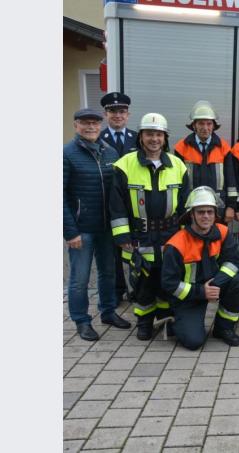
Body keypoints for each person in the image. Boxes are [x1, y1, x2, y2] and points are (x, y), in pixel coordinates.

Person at [109, 113, 191, 340]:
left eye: (158, 135)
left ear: (165, 138)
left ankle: (166, 319)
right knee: (143, 280)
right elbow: (117, 206)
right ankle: (144, 322)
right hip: (139, 234)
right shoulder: (124, 165)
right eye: (149, 134)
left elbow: (185, 204)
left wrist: (185, 234)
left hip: (170, 233)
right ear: (141, 137)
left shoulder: (177, 165)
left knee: (168, 277)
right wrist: (123, 235)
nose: (154, 139)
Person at [64, 108, 132, 341]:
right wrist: (70, 231)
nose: (91, 127)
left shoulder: (110, 152)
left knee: (108, 273)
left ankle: (108, 311)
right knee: (79, 278)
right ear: (76, 125)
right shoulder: (67, 154)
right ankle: (82, 321)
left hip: (107, 228)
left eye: (94, 123)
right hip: (82, 229)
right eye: (85, 123)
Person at [161, 186, 239, 349]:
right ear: (191, 214)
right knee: (194, 342)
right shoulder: (176, 244)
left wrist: (215, 285)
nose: (206, 216)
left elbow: (234, 262)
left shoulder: (223, 232)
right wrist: (201, 292)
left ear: (215, 214)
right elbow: (169, 283)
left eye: (210, 212)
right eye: (200, 212)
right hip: (189, 295)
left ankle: (223, 328)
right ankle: (173, 322)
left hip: (215, 285)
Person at [100, 91, 138, 303]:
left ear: (128, 114)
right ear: (106, 114)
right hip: (106, 204)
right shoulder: (98, 138)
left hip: (134, 204)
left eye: (121, 111)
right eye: (112, 111)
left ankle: (136, 288)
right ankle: (117, 290)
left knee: (133, 248)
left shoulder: (137, 138)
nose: (117, 115)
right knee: (112, 252)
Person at [173, 100, 237, 222]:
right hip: (192, 209)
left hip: (219, 209)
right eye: (201, 123)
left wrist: (231, 207)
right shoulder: (181, 148)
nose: (205, 128)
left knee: (218, 239)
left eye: (209, 124)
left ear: (214, 126)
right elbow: (178, 183)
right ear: (194, 125)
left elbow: (231, 181)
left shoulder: (224, 147)